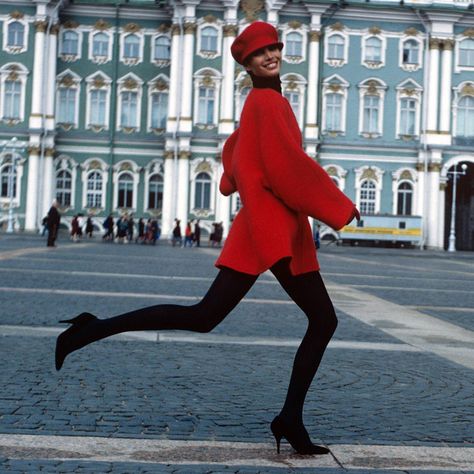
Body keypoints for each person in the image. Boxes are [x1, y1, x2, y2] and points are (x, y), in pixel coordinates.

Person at [55, 22, 359, 456]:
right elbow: (286, 167)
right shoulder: (266, 103)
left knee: (204, 316)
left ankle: (91, 329)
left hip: (261, 228)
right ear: (246, 63)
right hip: (272, 232)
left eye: (274, 48)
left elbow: (239, 152)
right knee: (322, 320)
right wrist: (339, 206)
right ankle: (289, 418)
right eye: (259, 53)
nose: (270, 56)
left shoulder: (263, 104)